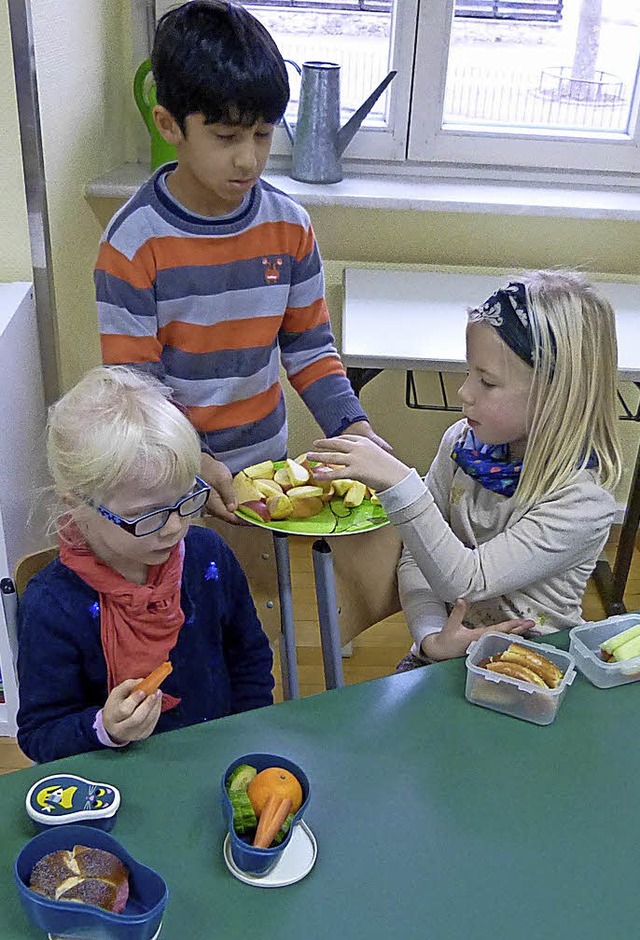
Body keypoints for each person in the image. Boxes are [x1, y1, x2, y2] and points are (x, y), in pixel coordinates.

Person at [95, 0, 388, 526]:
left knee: (255, 600)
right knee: (182, 601)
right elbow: (137, 389)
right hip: (169, 478)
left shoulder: (289, 226)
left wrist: (352, 426)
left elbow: (309, 347)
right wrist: (195, 464)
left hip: (262, 467)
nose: (248, 158)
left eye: (262, 134)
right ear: (169, 125)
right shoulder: (134, 243)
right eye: (226, 137)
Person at [308, 271, 622, 667]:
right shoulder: (460, 444)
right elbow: (415, 557)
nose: (464, 392)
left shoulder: (582, 501)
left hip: (532, 666)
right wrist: (431, 640)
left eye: (487, 382)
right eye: (469, 371)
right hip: (443, 655)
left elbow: (466, 581)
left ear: (554, 394)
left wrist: (401, 483)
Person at [17, 367, 274, 764]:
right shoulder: (52, 605)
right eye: (147, 515)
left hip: (217, 758)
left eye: (186, 500)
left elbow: (249, 655)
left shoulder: (207, 555)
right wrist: (105, 727)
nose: (174, 528)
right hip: (117, 783)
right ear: (79, 509)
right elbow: (40, 734)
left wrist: (247, 736)